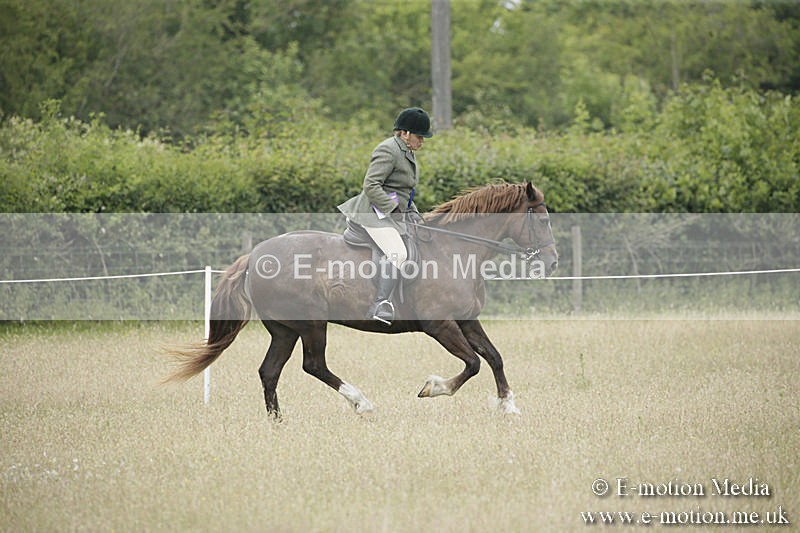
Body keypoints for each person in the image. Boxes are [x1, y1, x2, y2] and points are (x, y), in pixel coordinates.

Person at [337, 107, 433, 325]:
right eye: (420, 136)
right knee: (398, 253)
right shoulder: (388, 150)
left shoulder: (406, 152)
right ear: (405, 133)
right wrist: (392, 208)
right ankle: (380, 304)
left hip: (390, 214)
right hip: (372, 214)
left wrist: (415, 215)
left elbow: (403, 191)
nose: (422, 141)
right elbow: (371, 185)